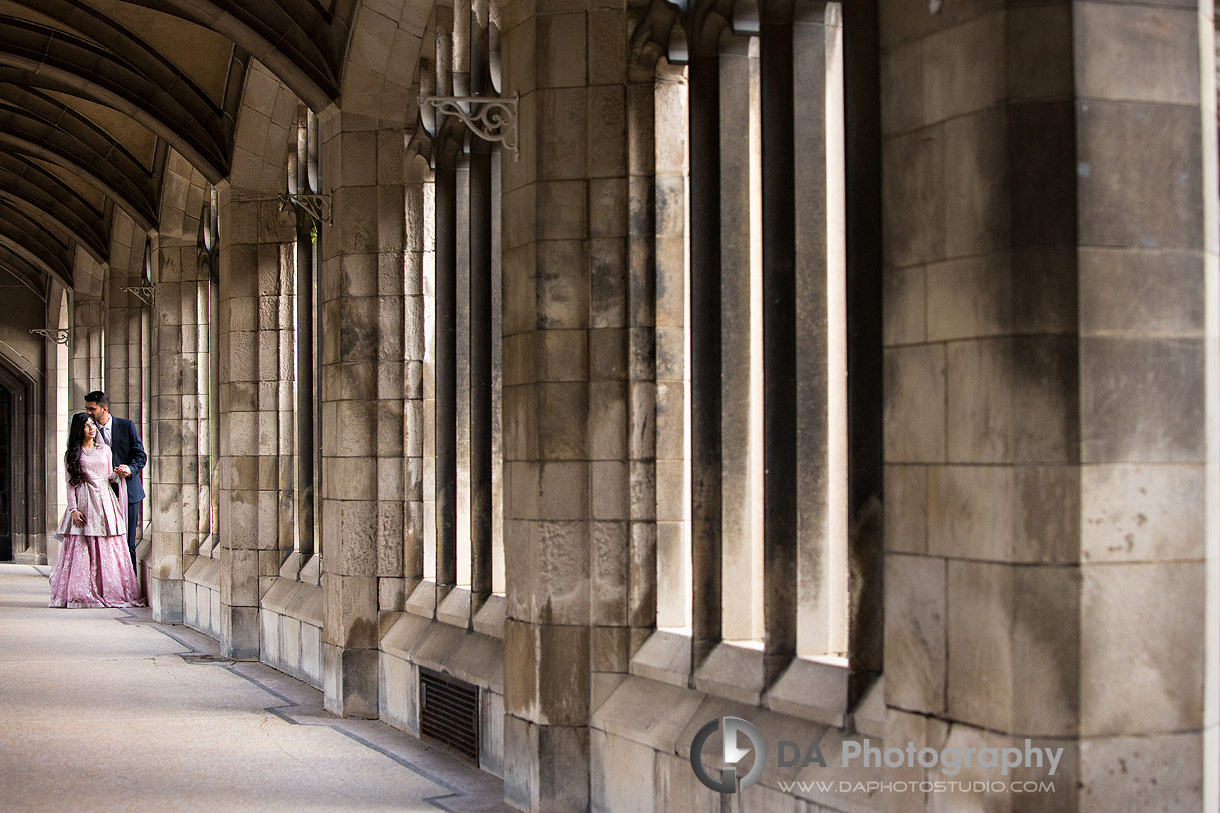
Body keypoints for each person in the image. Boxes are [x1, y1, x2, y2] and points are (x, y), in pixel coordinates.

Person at [48, 412, 144, 608]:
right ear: (78, 430)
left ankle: (108, 589)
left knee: (109, 544)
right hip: (84, 499)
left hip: (105, 498)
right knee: (83, 545)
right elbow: (70, 484)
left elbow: (109, 475)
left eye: (92, 424)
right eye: (86, 425)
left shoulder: (105, 450)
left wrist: (119, 473)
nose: (91, 428)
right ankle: (82, 591)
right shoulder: (72, 455)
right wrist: (73, 510)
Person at [84, 390, 146, 572]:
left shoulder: (126, 426)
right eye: (87, 408)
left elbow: (140, 456)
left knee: (128, 540)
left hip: (128, 492)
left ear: (104, 408)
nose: (89, 412)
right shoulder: (89, 430)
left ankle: (130, 585)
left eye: (92, 409)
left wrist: (129, 469)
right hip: (100, 495)